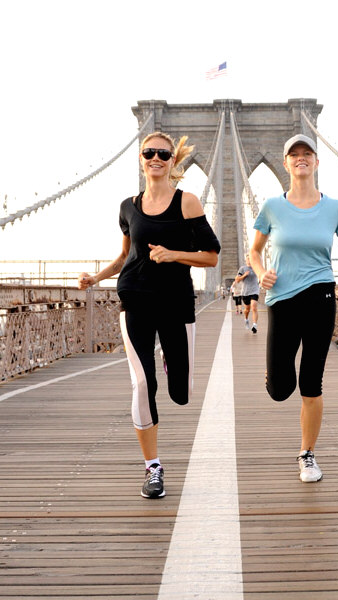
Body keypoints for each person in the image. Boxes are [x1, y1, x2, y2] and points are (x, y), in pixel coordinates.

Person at [78, 131, 220, 499]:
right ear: (141, 159)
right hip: (135, 297)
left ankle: (174, 365)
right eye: (149, 152)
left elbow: (211, 255)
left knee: (182, 393)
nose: (155, 158)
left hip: (175, 302)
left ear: (174, 162)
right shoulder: (128, 206)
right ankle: (153, 467)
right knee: (142, 384)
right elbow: (126, 255)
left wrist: (174, 255)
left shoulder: (187, 203)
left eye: (163, 153)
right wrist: (96, 277)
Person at [249, 134, 338, 484]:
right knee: (280, 389)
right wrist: (260, 272)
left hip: (320, 296)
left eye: (307, 154)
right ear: (286, 164)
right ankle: (275, 377)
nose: (301, 158)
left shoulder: (335, 208)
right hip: (282, 300)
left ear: (316, 162)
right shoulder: (271, 207)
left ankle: (307, 454)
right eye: (294, 154)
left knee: (311, 382)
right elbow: (254, 251)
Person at [236, 255, 260, 333]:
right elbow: (237, 280)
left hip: (255, 290)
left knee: (254, 307)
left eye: (251, 259)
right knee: (247, 309)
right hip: (245, 292)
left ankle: (255, 326)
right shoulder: (242, 268)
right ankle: (246, 319)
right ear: (246, 260)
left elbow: (261, 276)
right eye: (248, 259)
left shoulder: (256, 267)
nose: (249, 260)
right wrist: (244, 275)